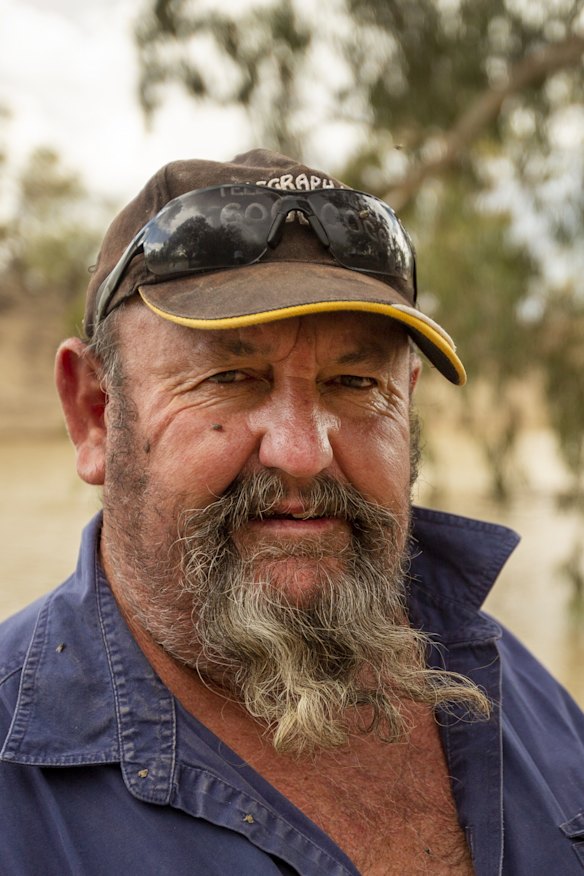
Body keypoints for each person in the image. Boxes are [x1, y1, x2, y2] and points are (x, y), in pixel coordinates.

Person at [1, 149, 583, 876]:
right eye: (231, 377)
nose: (304, 453)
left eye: (354, 382)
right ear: (95, 413)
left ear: (407, 402)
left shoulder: (513, 689)